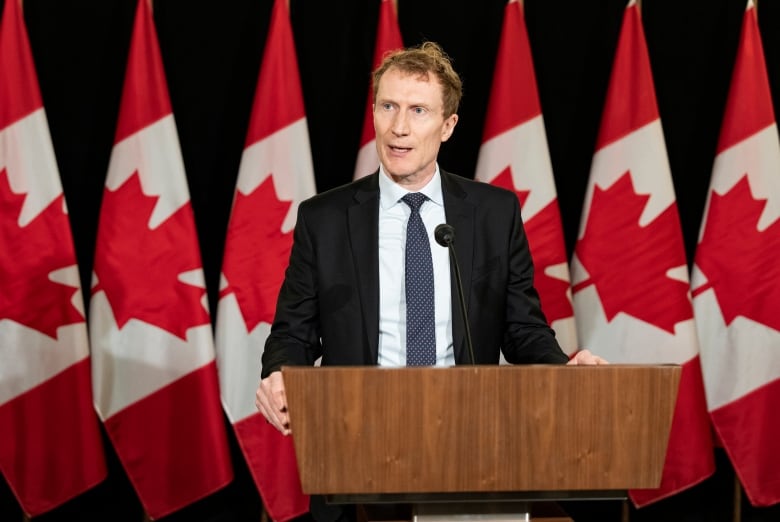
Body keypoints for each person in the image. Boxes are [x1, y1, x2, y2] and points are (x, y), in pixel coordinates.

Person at [256, 41, 605, 521]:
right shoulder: (325, 219)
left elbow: (521, 327)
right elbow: (292, 333)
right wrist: (277, 374)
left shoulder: (493, 213)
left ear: (447, 126)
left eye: (418, 111)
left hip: (467, 445)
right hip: (358, 448)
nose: (399, 127)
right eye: (388, 107)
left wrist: (563, 371)